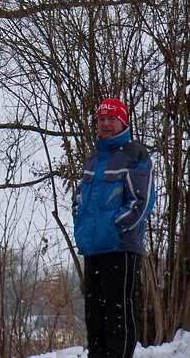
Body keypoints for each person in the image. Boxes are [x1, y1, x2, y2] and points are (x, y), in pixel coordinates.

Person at [72, 98, 156, 357]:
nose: (106, 124)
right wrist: (82, 227)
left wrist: (114, 228)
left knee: (118, 315)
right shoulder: (92, 160)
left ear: (123, 122)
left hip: (120, 248)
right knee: (95, 318)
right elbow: (78, 200)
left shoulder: (135, 156)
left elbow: (141, 202)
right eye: (101, 119)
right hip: (93, 249)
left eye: (111, 119)